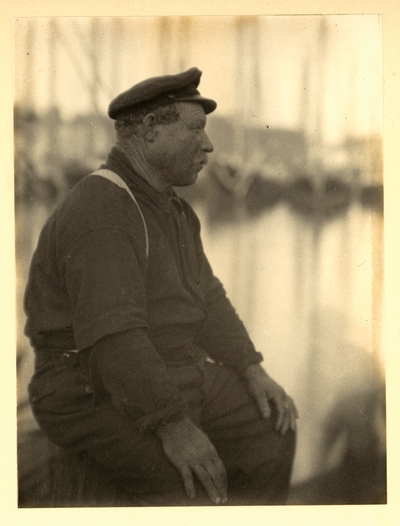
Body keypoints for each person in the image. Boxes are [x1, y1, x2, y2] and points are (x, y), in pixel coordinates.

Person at [24, 67, 298, 506]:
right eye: (196, 129)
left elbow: (206, 296)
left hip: (169, 367)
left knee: (273, 429)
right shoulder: (102, 209)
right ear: (151, 129)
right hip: (87, 389)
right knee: (184, 485)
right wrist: (174, 426)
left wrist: (250, 366)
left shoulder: (172, 210)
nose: (208, 144)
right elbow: (115, 340)